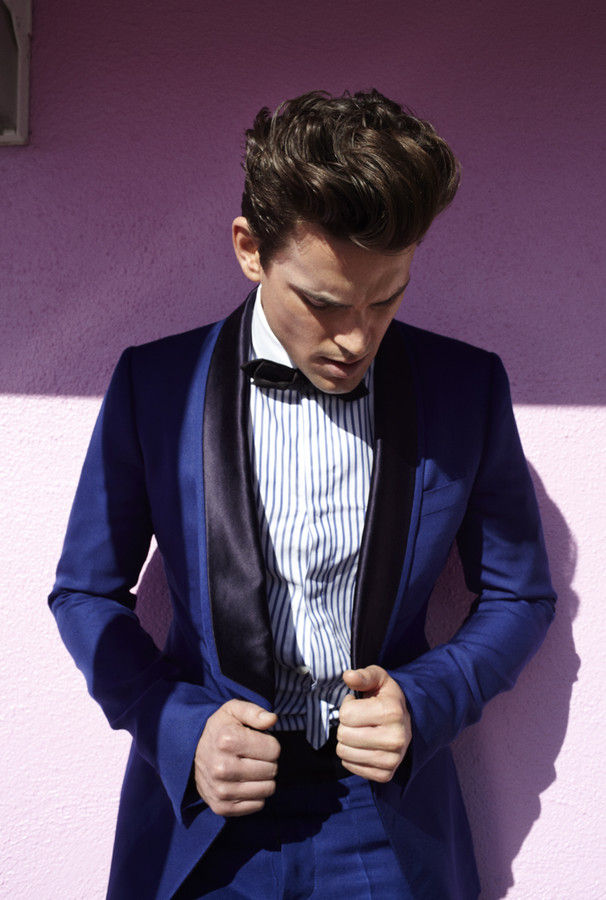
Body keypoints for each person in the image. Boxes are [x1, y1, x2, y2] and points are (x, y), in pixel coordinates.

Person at [49, 90, 556, 899]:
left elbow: (519, 594)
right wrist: (178, 728)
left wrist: (424, 701)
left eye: (386, 298)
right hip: (205, 813)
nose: (356, 337)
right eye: (323, 302)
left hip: (385, 818)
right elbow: (84, 592)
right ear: (250, 250)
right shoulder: (154, 385)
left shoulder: (466, 388)